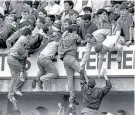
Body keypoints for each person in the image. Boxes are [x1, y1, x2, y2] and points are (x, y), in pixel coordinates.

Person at [7, 28, 31, 108]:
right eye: (30, 36)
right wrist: (26, 52)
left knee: (14, 77)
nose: (30, 37)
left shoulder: (21, 38)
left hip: (10, 58)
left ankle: (10, 95)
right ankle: (16, 89)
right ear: (28, 34)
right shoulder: (24, 39)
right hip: (13, 58)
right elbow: (23, 52)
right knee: (24, 73)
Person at [58, 25, 81, 94]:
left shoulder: (63, 38)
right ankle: (90, 86)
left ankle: (71, 94)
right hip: (71, 57)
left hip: (64, 59)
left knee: (70, 78)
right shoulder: (74, 35)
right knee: (82, 72)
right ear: (74, 31)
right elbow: (79, 41)